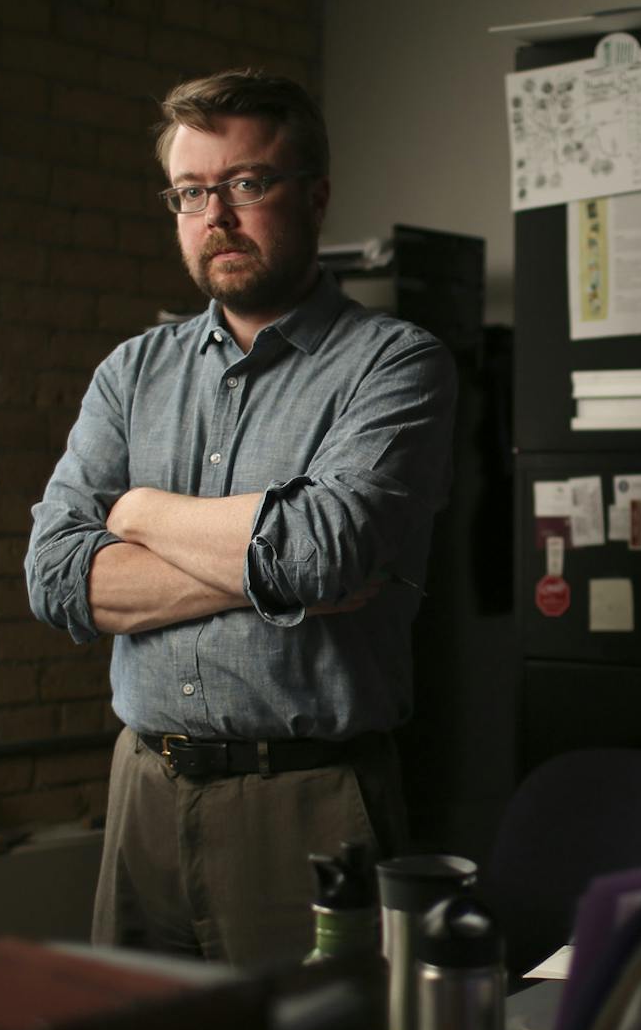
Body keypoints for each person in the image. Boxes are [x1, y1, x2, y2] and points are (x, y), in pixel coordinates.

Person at [25, 70, 457, 971]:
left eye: (246, 184)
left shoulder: (395, 363)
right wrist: (266, 571)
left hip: (305, 800)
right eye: (191, 193)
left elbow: (322, 554)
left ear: (316, 195)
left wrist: (136, 513)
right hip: (142, 787)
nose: (215, 215)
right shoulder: (132, 373)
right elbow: (58, 576)